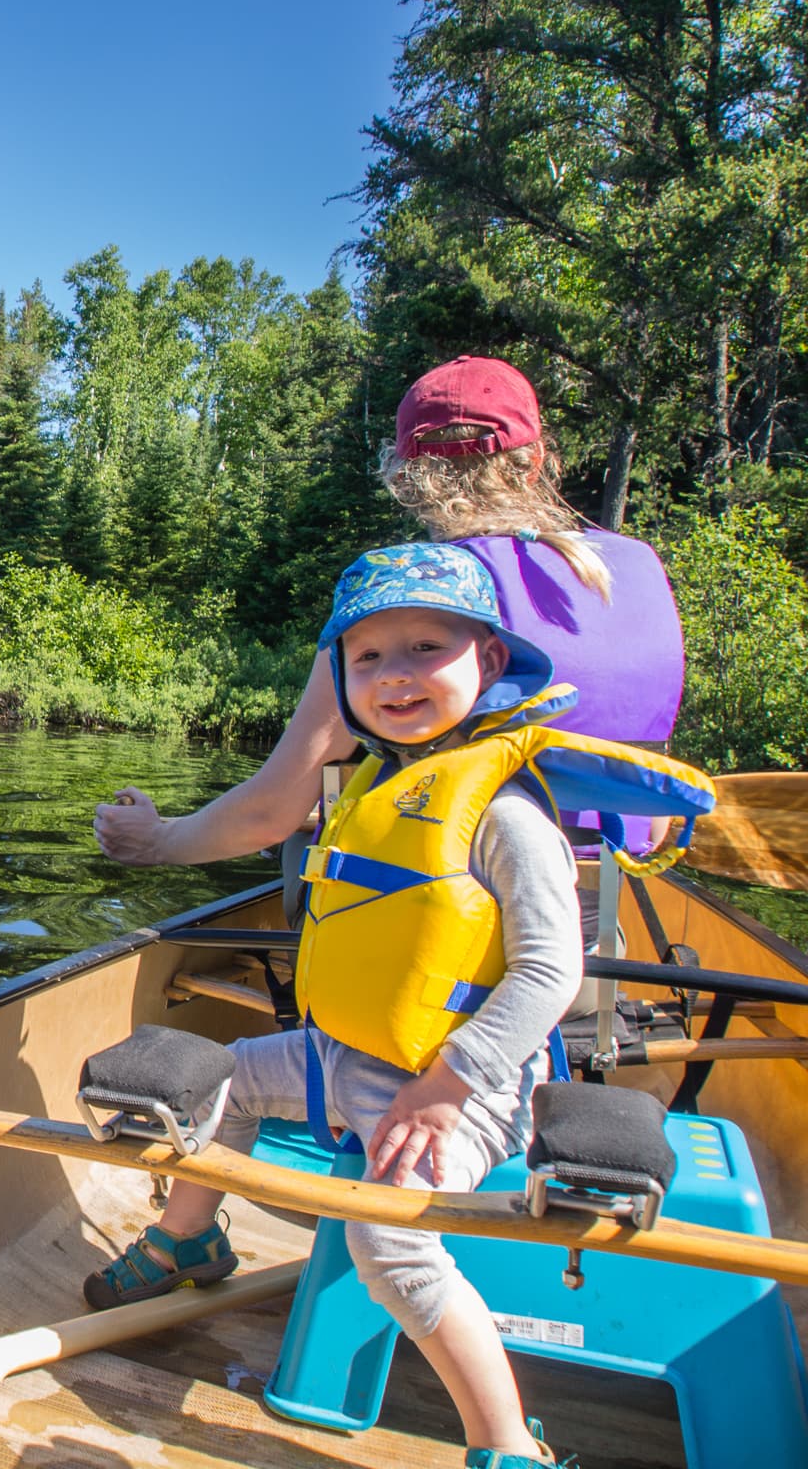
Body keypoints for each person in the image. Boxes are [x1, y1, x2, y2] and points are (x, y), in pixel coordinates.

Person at [86, 543, 620, 1465]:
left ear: (487, 662)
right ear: (340, 676)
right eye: (368, 658)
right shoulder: (375, 782)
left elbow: (549, 974)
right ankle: (187, 1243)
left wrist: (452, 1082)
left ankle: (506, 1445)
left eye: (424, 648)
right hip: (340, 1057)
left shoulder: (504, 810)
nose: (394, 676)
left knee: (389, 1246)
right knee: (205, 1088)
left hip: (461, 1087)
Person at [94, 355, 683, 871]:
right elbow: (655, 810)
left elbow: (269, 815)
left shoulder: (417, 588)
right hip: (611, 897)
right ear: (535, 462)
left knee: (301, 847)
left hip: (465, 907)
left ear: (403, 476)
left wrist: (157, 840)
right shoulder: (640, 567)